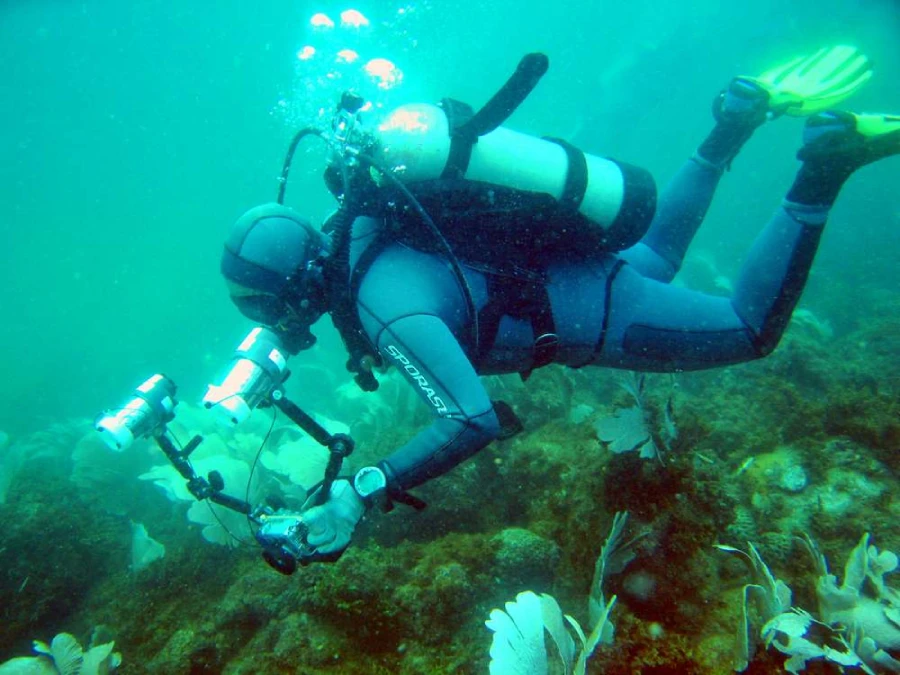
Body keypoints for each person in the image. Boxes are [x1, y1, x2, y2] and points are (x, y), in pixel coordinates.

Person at [219, 46, 899, 564]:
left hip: (594, 314)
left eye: (262, 308)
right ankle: (734, 120)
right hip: (577, 266)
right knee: (659, 253)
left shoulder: (383, 309)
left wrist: (362, 490)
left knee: (750, 330)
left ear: (295, 287)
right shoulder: (363, 222)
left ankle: (823, 165)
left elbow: (470, 419)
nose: (271, 324)